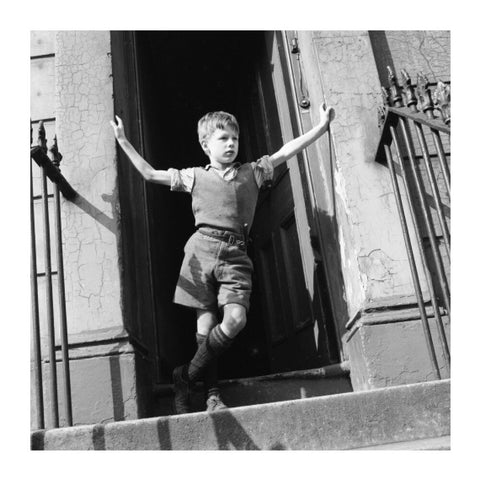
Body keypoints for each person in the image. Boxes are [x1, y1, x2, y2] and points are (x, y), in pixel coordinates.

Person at [110, 103, 334, 414]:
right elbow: (149, 174)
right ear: (205, 144)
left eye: (234, 138)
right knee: (205, 328)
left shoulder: (253, 172)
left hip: (235, 255)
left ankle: (184, 376)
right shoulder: (193, 177)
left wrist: (320, 128)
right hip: (199, 252)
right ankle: (212, 396)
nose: (230, 144)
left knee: (235, 320)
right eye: (222, 139)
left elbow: (287, 150)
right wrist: (122, 140)